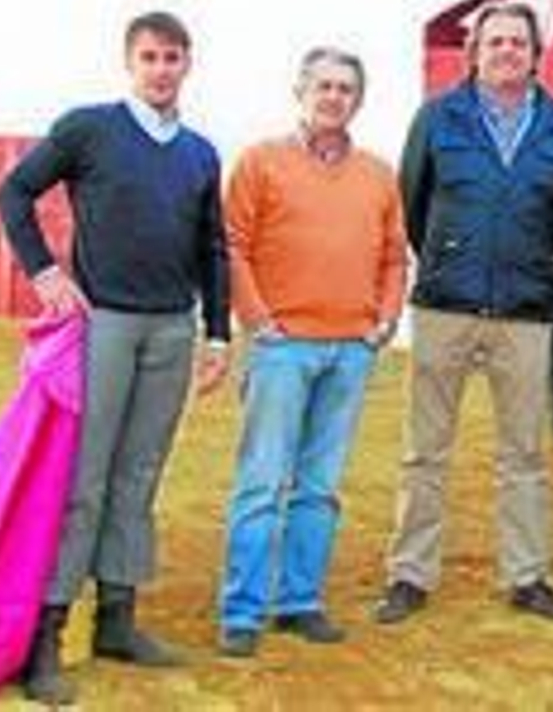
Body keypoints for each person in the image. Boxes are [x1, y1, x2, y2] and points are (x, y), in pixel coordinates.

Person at [0, 11, 230, 704]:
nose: (161, 69)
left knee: (140, 475)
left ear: (188, 64)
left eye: (172, 57)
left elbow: (211, 248)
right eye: (150, 56)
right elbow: (13, 191)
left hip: (171, 327)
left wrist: (218, 333)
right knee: (86, 481)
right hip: (105, 324)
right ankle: (45, 637)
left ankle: (116, 621)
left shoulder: (200, 153)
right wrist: (43, 271)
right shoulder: (89, 128)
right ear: (130, 62)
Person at [374, 1, 553, 624]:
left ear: (536, 55)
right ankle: (410, 574)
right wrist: (450, 258)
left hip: (525, 310)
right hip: (446, 306)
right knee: (425, 451)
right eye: (495, 42)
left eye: (518, 42)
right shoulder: (438, 117)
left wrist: (526, 263)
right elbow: (411, 204)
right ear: (474, 53)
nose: (507, 52)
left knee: (525, 455)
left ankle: (527, 575)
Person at [216, 47, 407, 658]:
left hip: (350, 349)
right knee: (262, 481)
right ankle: (243, 610)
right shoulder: (260, 161)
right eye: (323, 85)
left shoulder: (378, 174)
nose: (333, 97)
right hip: (282, 348)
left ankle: (299, 601)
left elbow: (394, 256)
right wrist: (258, 320)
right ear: (300, 91)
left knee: (320, 485)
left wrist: (385, 318)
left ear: (358, 100)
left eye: (345, 88)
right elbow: (232, 245)